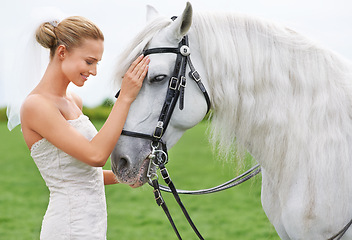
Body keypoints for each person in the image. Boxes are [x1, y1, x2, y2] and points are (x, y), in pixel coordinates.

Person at [19, 16, 149, 239]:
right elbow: (96, 155)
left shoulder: (74, 100)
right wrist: (125, 98)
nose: (94, 71)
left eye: (97, 62)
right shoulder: (36, 106)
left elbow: (84, 174)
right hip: (69, 228)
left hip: (93, 226)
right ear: (62, 53)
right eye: (89, 62)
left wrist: (125, 177)